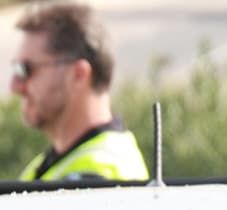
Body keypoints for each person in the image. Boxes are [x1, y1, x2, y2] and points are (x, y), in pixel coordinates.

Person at [11, 2, 148, 183]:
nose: (15, 86)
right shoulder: (56, 162)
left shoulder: (96, 177)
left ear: (78, 74)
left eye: (26, 70)